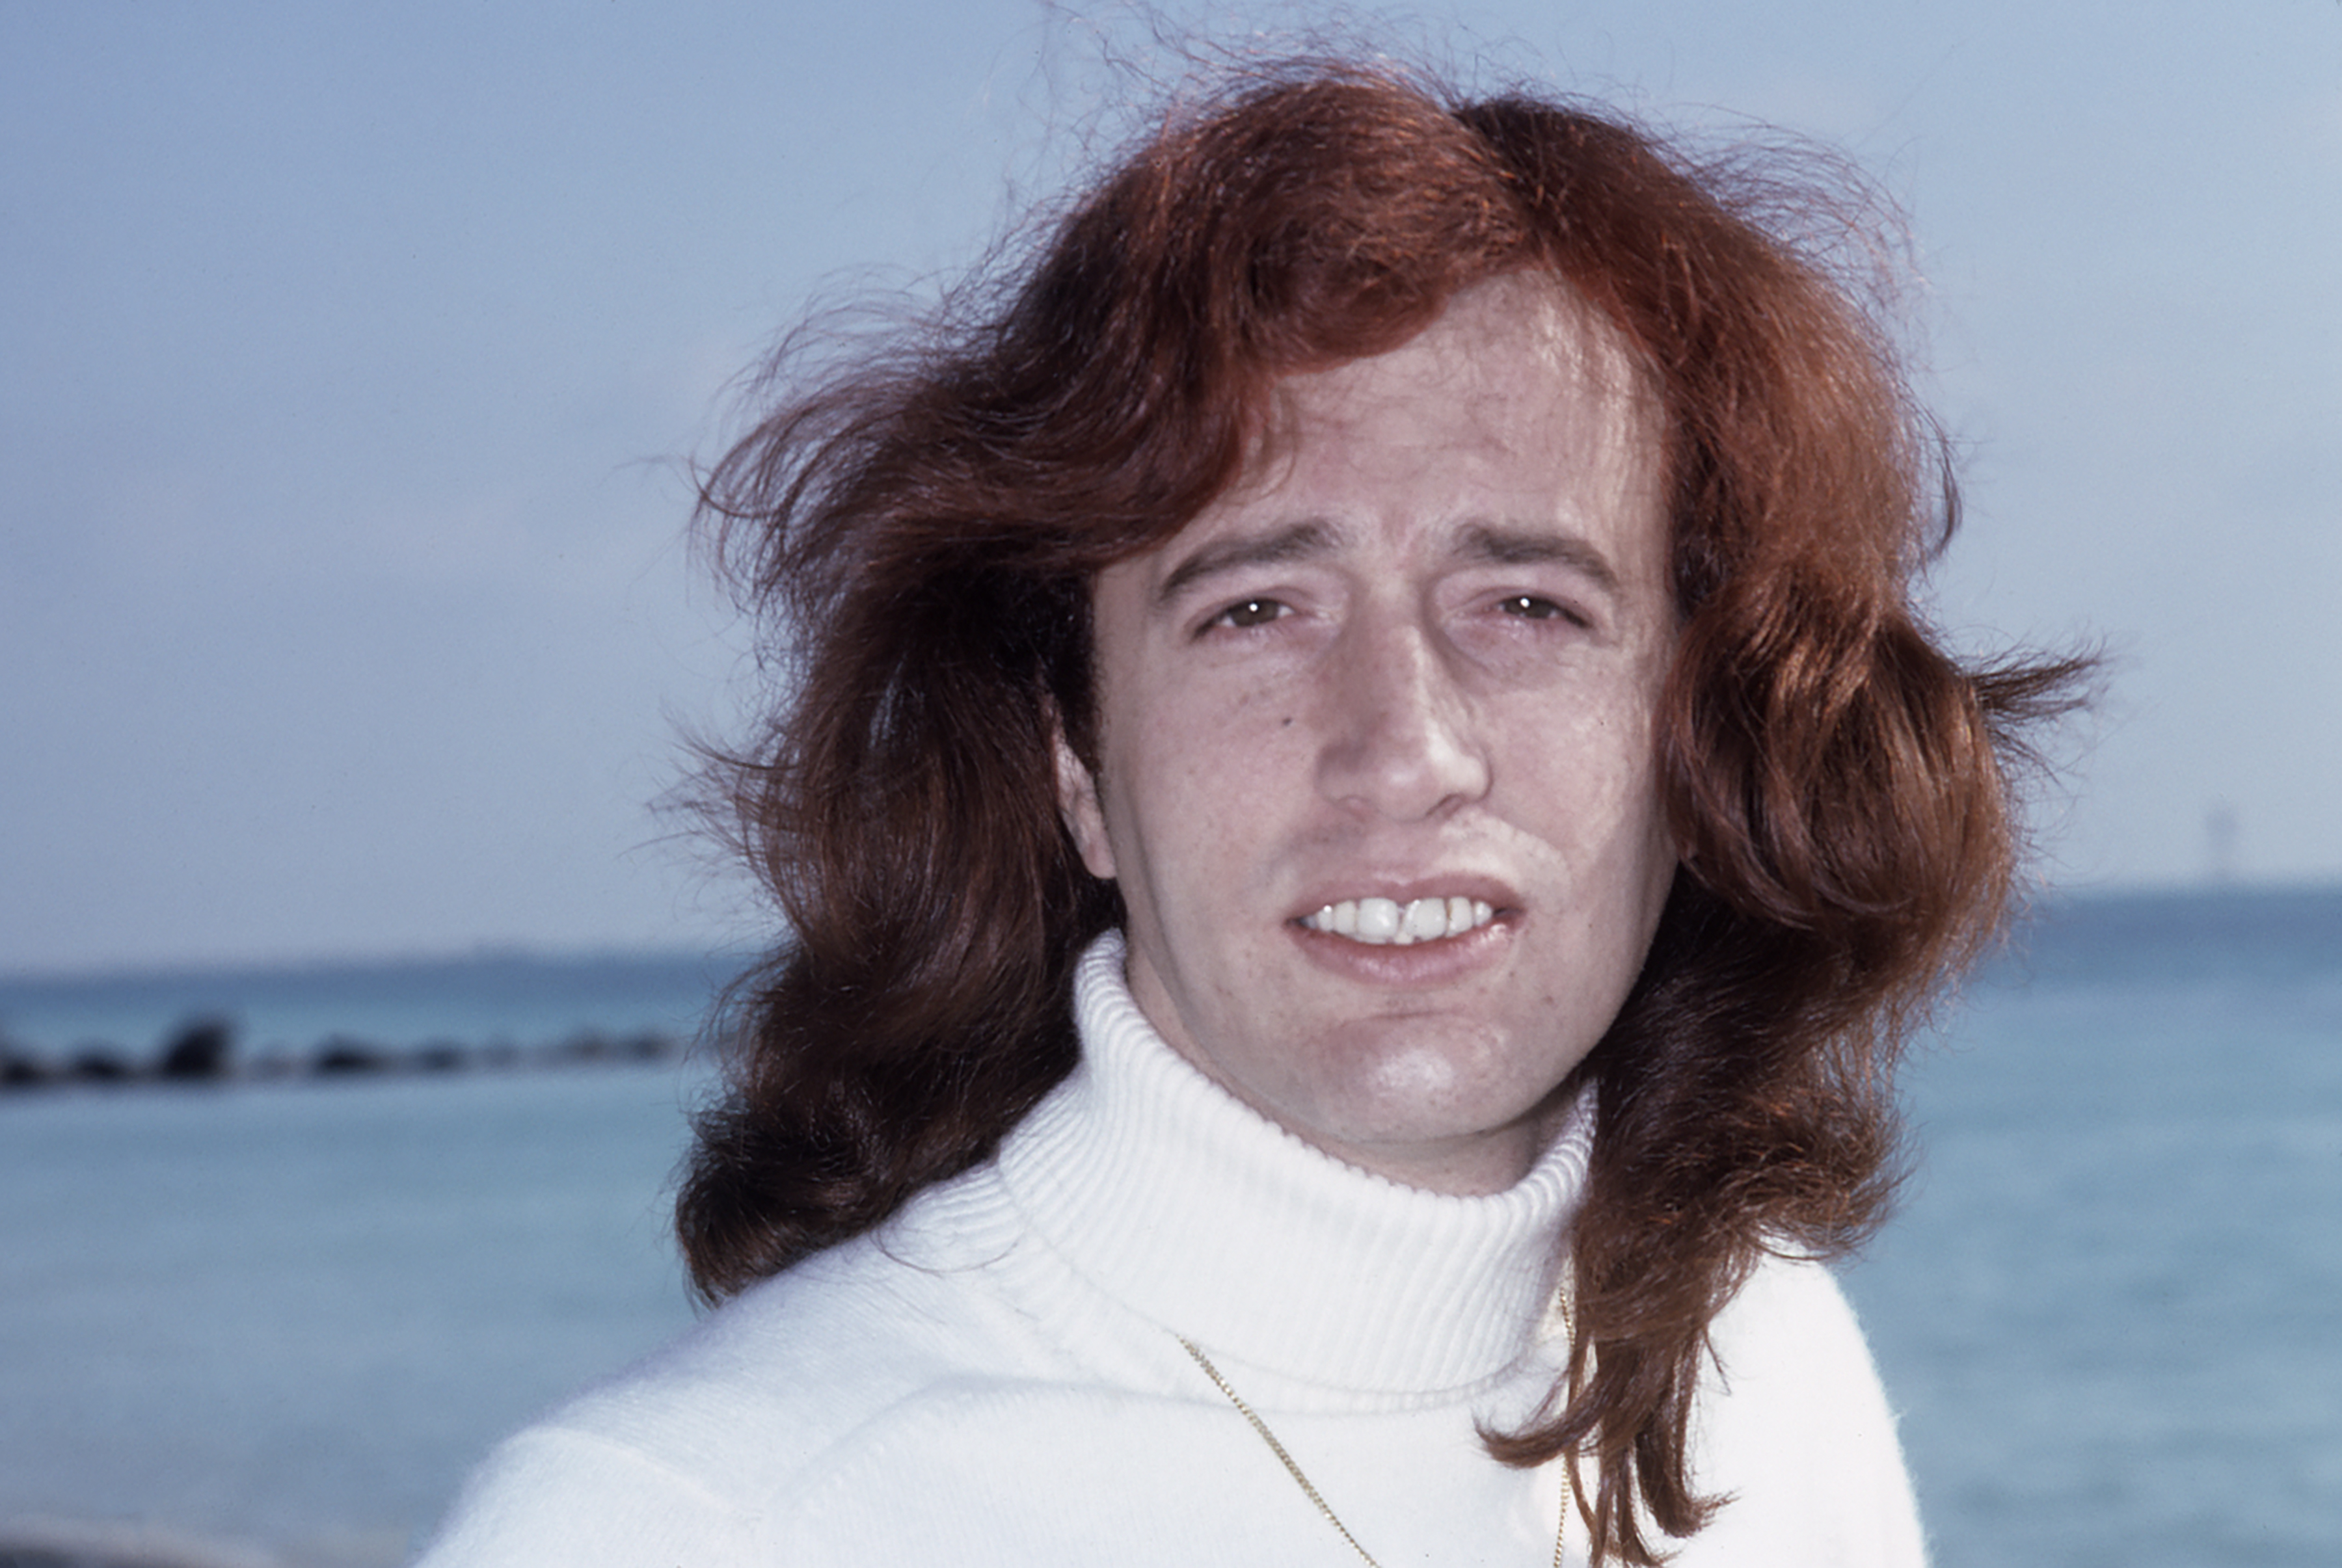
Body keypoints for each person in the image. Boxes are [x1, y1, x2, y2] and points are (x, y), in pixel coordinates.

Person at [416, 61, 2078, 1567]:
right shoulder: (680, 1528)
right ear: (1076, 761)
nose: (1401, 749)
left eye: (1527, 605)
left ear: (1695, 735)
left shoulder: (1763, 1368)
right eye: (1256, 612)